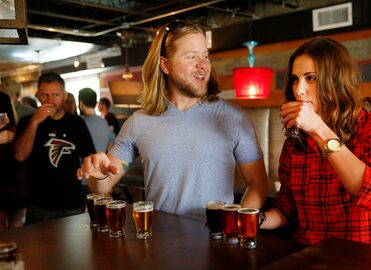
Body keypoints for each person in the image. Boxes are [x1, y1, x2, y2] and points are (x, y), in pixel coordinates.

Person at [77, 20, 268, 219]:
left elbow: (258, 183)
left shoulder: (234, 118)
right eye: (191, 57)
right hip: (159, 245)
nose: (203, 64)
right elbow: (103, 185)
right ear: (165, 65)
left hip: (217, 244)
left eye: (205, 55)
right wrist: (99, 175)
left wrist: (238, 223)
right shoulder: (139, 122)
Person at [260, 37, 371, 246]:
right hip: (305, 255)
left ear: (336, 80)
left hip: (358, 260)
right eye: (295, 79)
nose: (299, 90)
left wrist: (318, 129)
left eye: (311, 78)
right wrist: (253, 219)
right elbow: (286, 208)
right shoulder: (295, 143)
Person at [15, 72, 95, 224]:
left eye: (55, 95)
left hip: (71, 202)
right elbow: (19, 155)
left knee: (73, 248)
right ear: (38, 95)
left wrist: (91, 196)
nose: (50, 100)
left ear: (64, 95)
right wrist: (35, 122)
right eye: (45, 95)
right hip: (38, 204)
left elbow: (89, 158)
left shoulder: (76, 123)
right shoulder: (27, 121)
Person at [0, 92, 26, 230]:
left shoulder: (10, 131)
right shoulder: (13, 129)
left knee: (5, 228)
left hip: (10, 183)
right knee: (16, 227)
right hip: (15, 183)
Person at [78, 87, 115, 152]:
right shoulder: (103, 121)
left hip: (85, 161)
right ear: (95, 103)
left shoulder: (81, 123)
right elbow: (112, 138)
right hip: (100, 160)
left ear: (81, 103)